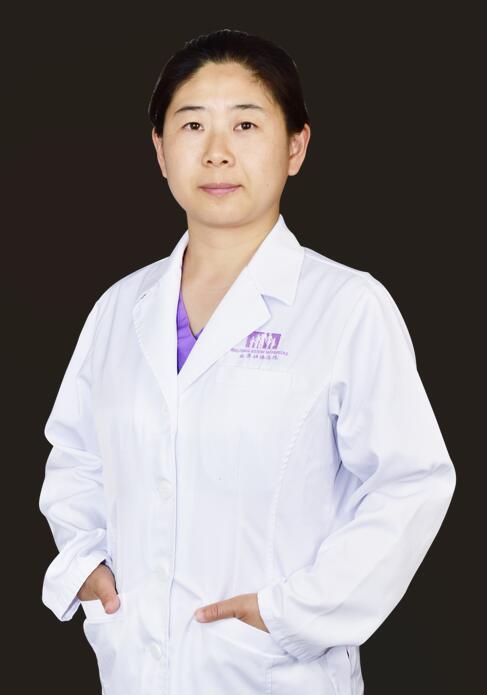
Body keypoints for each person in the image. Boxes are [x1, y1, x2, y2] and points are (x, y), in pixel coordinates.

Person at [38, 28, 456, 695]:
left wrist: (294, 612)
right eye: (192, 124)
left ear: (295, 147)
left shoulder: (346, 305)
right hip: (134, 669)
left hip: (275, 671)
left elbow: (410, 483)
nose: (217, 152)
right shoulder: (120, 308)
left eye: (246, 124)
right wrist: (85, 561)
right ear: (160, 151)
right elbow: (76, 456)